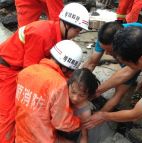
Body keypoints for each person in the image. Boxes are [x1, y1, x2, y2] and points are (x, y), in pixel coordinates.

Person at [0, 3, 89, 142]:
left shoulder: (57, 35)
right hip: (8, 69)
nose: (76, 36)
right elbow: (32, 75)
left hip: (22, 69)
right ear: (68, 25)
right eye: (77, 32)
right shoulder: (41, 34)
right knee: (9, 114)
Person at [15, 40, 100, 142]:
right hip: (40, 138)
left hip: (21, 134)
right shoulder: (59, 84)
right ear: (65, 68)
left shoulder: (26, 71)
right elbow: (61, 123)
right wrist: (80, 124)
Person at [83, 21, 142, 112]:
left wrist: (97, 92)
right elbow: (91, 64)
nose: (105, 53)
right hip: (129, 55)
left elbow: (126, 72)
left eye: (110, 50)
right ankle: (132, 81)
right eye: (104, 49)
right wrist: (78, 81)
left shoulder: (133, 44)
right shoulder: (105, 37)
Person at [57, 68, 100, 143]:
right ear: (68, 84)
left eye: (82, 95)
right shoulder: (60, 90)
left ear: (88, 95)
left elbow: (84, 135)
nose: (75, 98)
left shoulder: (85, 112)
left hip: (69, 132)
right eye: (73, 92)